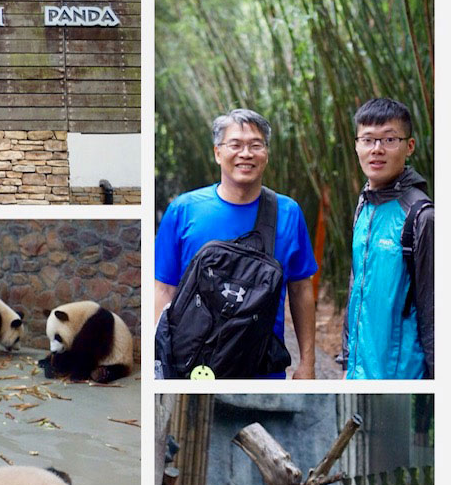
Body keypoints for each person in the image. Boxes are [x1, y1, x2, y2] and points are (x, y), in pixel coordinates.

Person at [154, 109, 318, 379]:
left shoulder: (288, 212)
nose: (246, 154)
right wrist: (158, 360)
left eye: (256, 145)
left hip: (260, 368)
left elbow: (300, 289)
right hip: (188, 363)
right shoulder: (183, 210)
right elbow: (163, 289)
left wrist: (308, 364)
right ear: (218, 153)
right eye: (236, 145)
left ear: (266, 154)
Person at [340, 97, 434, 380]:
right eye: (368, 140)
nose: (377, 150)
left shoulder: (422, 216)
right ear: (356, 145)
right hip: (359, 371)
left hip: (402, 374)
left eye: (389, 139)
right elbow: (356, 285)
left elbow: (435, 310)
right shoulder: (364, 205)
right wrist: (347, 361)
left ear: (409, 146)